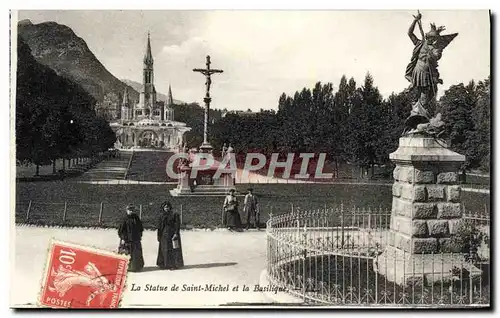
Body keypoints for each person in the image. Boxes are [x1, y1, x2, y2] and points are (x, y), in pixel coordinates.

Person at [404, 11, 458, 130]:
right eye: (431, 38)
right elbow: (410, 33)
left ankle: (422, 118)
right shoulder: (419, 43)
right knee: (418, 94)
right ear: (428, 37)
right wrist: (415, 20)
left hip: (428, 74)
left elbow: (437, 57)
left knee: (427, 96)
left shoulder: (434, 48)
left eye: (434, 38)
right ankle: (417, 117)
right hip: (419, 71)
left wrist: (434, 54)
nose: (432, 40)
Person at [156, 201, 184, 270]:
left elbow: (177, 225)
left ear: (170, 207)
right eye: (165, 207)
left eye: (167, 207)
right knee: (164, 250)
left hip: (172, 234)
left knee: (173, 250)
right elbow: (159, 227)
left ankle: (173, 265)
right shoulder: (161, 215)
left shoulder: (174, 214)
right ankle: (164, 264)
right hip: (164, 235)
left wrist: (176, 233)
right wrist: (159, 236)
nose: (166, 208)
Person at [118, 205, 144, 272]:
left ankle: (136, 267)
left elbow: (140, 227)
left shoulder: (136, 218)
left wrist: (140, 235)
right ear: (127, 210)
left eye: (132, 210)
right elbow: (121, 230)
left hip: (135, 239)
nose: (131, 212)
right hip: (127, 239)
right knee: (127, 252)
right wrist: (123, 238)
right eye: (129, 210)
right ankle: (127, 267)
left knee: (136, 253)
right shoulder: (124, 218)